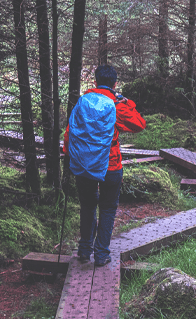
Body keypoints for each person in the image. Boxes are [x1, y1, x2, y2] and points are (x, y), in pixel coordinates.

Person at [62, 65, 147, 266]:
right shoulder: (116, 105)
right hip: (111, 165)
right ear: (115, 84)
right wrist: (127, 102)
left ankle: (84, 250)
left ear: (95, 82)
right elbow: (139, 124)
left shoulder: (83, 103)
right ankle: (101, 254)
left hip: (84, 165)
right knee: (108, 208)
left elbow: (69, 133)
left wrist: (70, 155)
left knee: (87, 205)